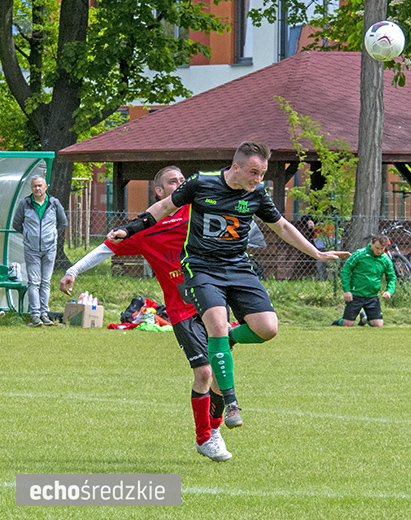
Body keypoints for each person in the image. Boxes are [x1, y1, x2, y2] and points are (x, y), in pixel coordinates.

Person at [107, 142, 349, 430]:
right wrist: (130, 228)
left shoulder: (257, 193)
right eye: (254, 172)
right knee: (217, 327)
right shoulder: (201, 183)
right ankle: (231, 403)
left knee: (267, 328)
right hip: (201, 267)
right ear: (235, 167)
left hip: (237, 267)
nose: (258, 179)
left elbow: (282, 226)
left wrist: (317, 253)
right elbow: (163, 206)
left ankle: (228, 341)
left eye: (262, 174)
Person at [61, 166, 231, 462]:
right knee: (204, 372)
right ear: (160, 192)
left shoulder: (199, 211)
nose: (180, 184)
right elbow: (107, 247)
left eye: (182, 180)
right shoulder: (146, 228)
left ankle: (214, 430)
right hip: (181, 311)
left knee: (219, 373)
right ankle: (205, 438)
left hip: (214, 303)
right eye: (172, 181)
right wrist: (73, 270)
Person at [12, 174, 67, 327]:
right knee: (34, 282)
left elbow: (63, 222)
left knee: (45, 282)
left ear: (45, 187)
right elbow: (16, 224)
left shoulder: (54, 203)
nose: (37, 188)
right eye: (34, 186)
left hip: (49, 248)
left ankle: (45, 314)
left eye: (40, 186)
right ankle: (35, 315)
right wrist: (30, 236)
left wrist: (51, 235)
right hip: (32, 249)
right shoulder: (25, 204)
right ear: (31, 188)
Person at [332, 234, 396, 327]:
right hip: (355, 295)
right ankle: (339, 322)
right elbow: (345, 271)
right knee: (347, 324)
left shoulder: (385, 259)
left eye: (382, 249)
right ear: (371, 244)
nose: (379, 251)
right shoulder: (359, 254)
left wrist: (389, 291)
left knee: (378, 325)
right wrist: (347, 290)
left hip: (372, 296)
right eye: (377, 248)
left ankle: (365, 318)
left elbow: (391, 278)